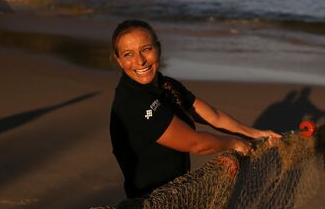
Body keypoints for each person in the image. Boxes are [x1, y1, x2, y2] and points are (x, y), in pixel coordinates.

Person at [110, 19, 281, 198]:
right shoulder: (133, 102)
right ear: (119, 60)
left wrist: (253, 133)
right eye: (128, 54)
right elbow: (195, 143)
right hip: (149, 203)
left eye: (146, 49)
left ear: (158, 48)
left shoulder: (165, 84)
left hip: (176, 192)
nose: (140, 61)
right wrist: (233, 143)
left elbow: (213, 116)